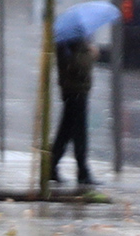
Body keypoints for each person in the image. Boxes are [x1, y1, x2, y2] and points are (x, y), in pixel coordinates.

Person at [50, 34, 97, 187]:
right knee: (78, 132)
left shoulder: (68, 41)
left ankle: (51, 165)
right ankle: (82, 171)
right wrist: (91, 54)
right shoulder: (70, 42)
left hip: (74, 89)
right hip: (75, 90)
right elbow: (78, 65)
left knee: (66, 131)